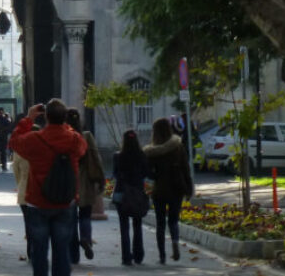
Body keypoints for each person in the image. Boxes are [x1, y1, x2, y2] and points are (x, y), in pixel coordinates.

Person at [9, 99, 87, 276]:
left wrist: (28, 119)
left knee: (39, 251)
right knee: (62, 251)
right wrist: (65, 126)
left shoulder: (35, 139)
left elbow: (14, 142)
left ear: (45, 117)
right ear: (64, 118)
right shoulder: (74, 139)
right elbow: (83, 147)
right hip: (65, 202)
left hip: (38, 202)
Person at [145, 117, 194, 264]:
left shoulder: (152, 152)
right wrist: (189, 189)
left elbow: (149, 173)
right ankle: (174, 241)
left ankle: (162, 256)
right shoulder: (177, 147)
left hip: (159, 190)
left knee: (160, 223)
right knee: (173, 220)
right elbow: (186, 168)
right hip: (176, 188)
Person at [67, 109, 105, 263]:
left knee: (70, 220)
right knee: (85, 215)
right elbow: (96, 158)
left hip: (69, 181)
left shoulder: (65, 137)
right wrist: (101, 179)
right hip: (86, 181)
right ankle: (86, 239)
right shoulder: (87, 136)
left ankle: (73, 255)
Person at [113, 129, 150, 266]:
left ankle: (126, 257)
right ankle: (138, 255)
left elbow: (115, 174)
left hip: (122, 193)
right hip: (137, 193)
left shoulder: (118, 156)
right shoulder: (141, 155)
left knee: (124, 227)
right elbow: (147, 172)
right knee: (137, 225)